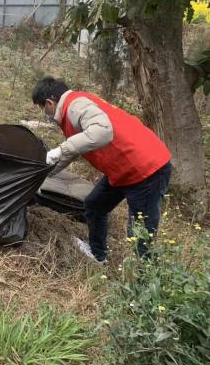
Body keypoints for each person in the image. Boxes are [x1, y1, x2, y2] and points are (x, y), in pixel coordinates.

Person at [31, 77, 172, 263]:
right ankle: (98, 256)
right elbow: (72, 151)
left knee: (140, 232)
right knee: (95, 205)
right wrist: (41, 174)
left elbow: (102, 132)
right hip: (124, 170)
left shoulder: (75, 106)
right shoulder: (74, 107)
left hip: (146, 170)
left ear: (50, 102)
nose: (44, 113)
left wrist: (60, 149)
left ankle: (144, 285)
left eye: (43, 108)